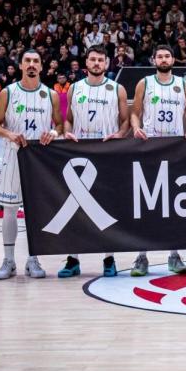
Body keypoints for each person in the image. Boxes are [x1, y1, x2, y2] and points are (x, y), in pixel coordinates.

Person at [0, 50, 63, 280]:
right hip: (14, 155)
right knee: (10, 210)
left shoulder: (50, 94)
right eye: (27, 61)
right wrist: (10, 134)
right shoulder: (8, 93)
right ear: (20, 65)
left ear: (41, 67)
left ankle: (33, 260)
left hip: (39, 159)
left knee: (36, 211)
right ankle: (9, 260)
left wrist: (52, 132)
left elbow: (60, 125)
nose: (31, 65)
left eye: (36, 62)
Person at [59, 46, 130, 278]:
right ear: (85, 62)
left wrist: (119, 135)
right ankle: (73, 259)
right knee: (75, 207)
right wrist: (68, 133)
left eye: (101, 60)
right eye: (93, 59)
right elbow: (68, 119)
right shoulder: (75, 88)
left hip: (106, 152)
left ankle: (109, 258)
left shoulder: (117, 89)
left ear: (107, 63)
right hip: (79, 151)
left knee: (106, 207)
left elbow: (125, 121)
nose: (97, 63)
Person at [129, 45, 186, 277]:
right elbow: (134, 112)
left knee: (174, 203)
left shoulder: (183, 84)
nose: (163, 59)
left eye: (167, 55)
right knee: (147, 203)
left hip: (175, 147)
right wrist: (136, 128)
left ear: (173, 59)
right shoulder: (145, 83)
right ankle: (141, 256)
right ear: (153, 60)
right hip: (149, 147)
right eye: (159, 56)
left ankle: (174, 255)